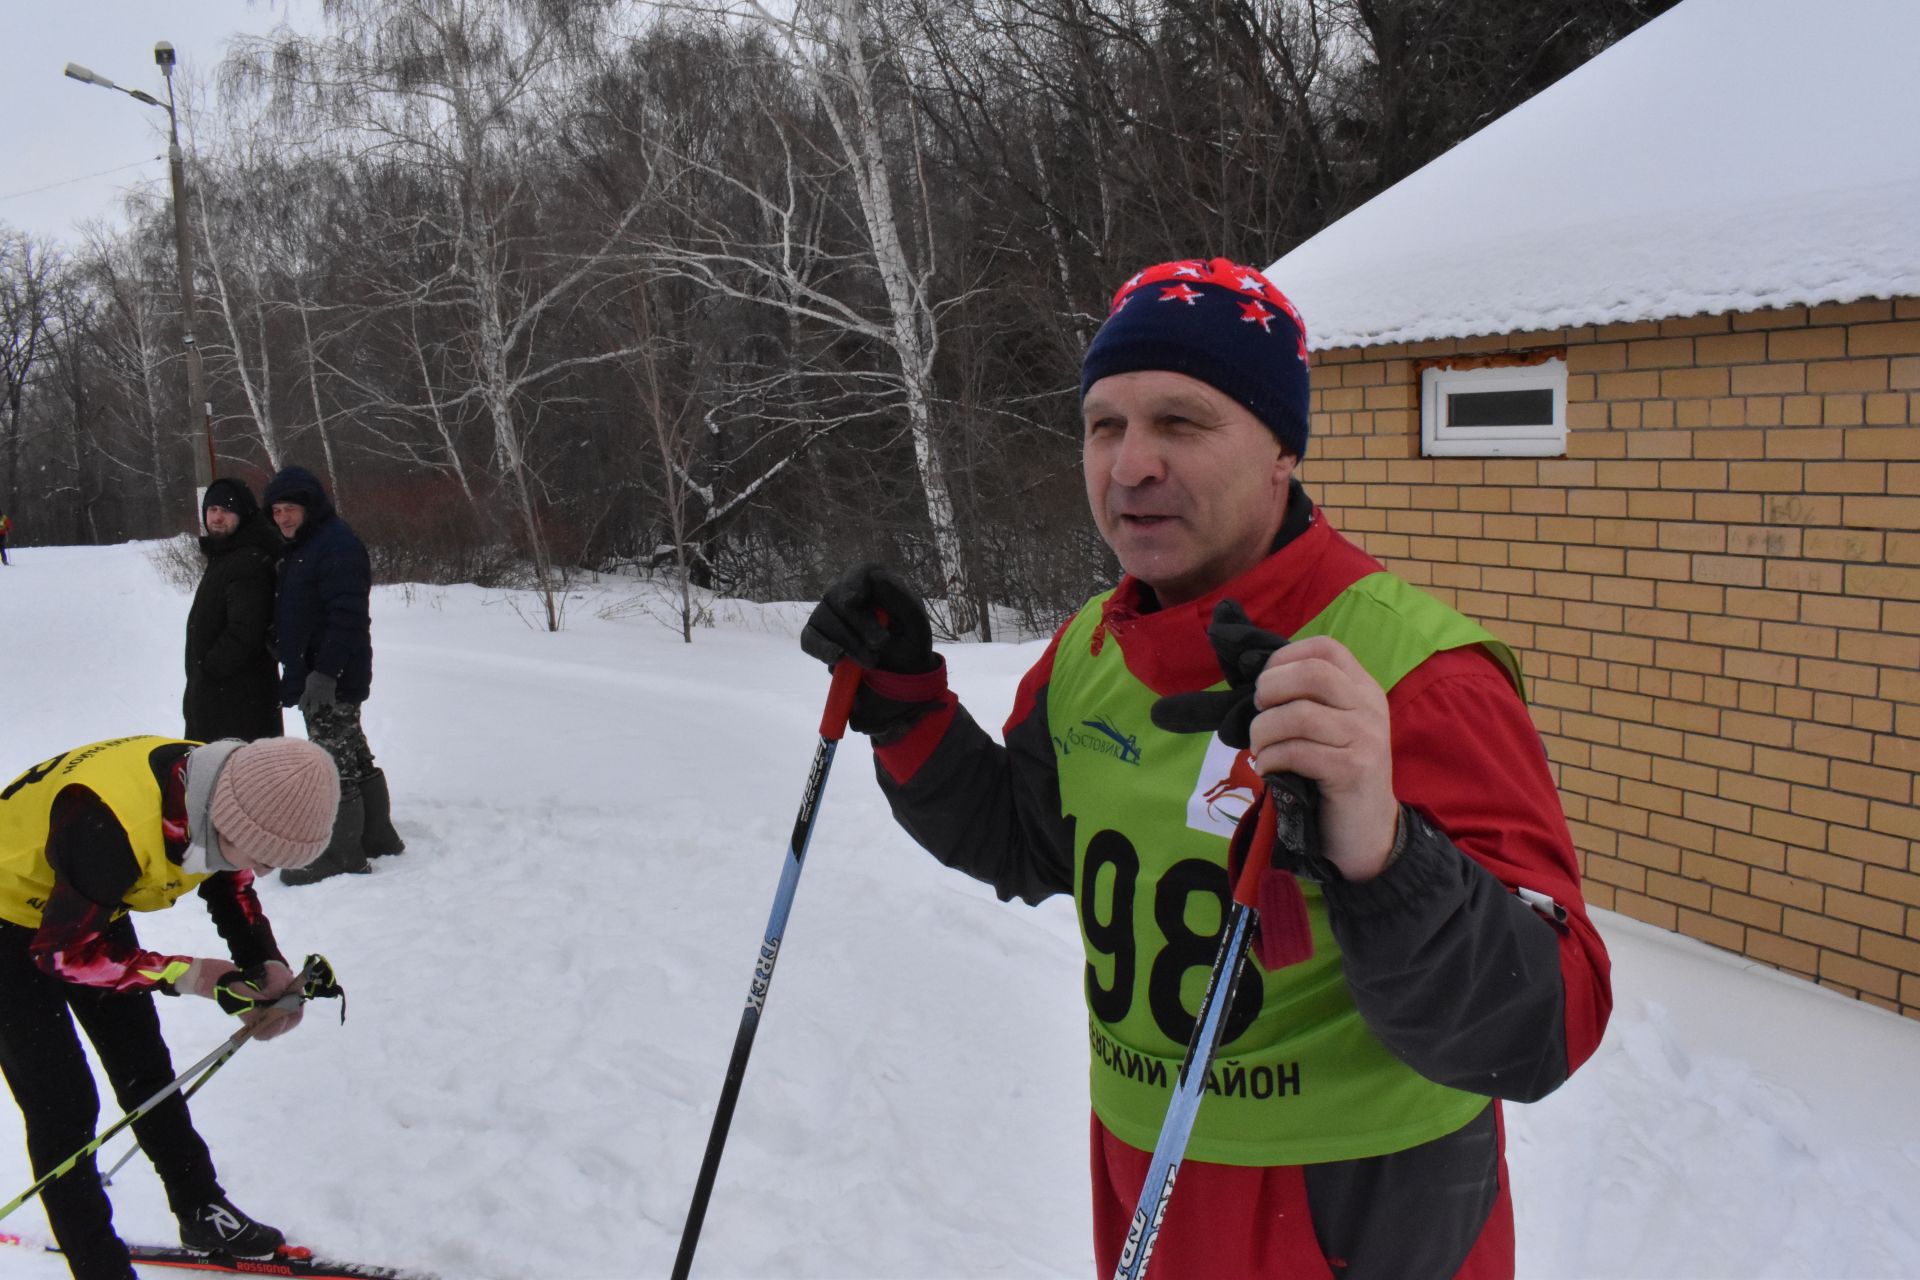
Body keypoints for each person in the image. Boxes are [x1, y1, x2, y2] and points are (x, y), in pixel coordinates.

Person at [802, 258, 1613, 1279]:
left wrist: (1382, 847)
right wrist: (908, 707)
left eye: (1181, 422)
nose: (1131, 462)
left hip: (1360, 1205)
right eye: (1105, 424)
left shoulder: (1417, 671)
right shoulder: (1092, 648)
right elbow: (1032, 840)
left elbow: (1548, 1019)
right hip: (1150, 1173)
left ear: (1281, 449)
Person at [0, 734, 339, 1279]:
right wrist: (194, 975)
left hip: (86, 905)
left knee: (144, 1066)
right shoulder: (108, 825)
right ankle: (98, 1266)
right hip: (9, 919)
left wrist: (264, 961)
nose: (268, 871)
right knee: (62, 1105)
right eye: (264, 857)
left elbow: (233, 885)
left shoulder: (225, 787)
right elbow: (65, 954)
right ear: (228, 822)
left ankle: (199, 1205)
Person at [262, 466, 403, 885]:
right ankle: (377, 836)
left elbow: (348, 617)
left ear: (309, 507)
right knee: (352, 751)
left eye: (290, 509)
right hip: (319, 671)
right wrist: (283, 642)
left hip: (329, 677)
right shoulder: (307, 545)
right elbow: (304, 609)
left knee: (330, 760)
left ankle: (341, 855)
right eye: (276, 510)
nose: (283, 517)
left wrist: (324, 673)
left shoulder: (335, 545)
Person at [184, 479, 284, 744]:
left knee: (238, 780)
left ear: (243, 514)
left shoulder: (248, 560)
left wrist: (208, 671)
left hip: (239, 703)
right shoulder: (225, 555)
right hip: (218, 699)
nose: (217, 517)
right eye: (212, 509)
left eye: (226, 510)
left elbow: (245, 631)